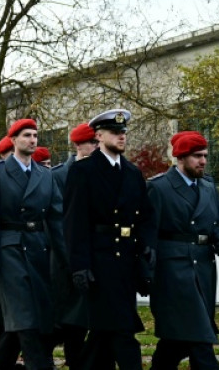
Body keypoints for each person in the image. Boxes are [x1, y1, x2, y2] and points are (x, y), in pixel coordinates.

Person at [63, 109, 156, 369]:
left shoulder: (132, 172)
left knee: (104, 334)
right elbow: (74, 223)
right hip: (99, 260)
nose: (122, 137)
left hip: (126, 259)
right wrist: (79, 265)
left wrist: (147, 245)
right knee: (121, 330)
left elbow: (146, 216)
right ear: (99, 136)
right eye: (116, 133)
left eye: (124, 132)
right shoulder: (84, 171)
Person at [0, 119, 66, 370]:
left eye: (35, 135)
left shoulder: (45, 175)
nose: (32, 140)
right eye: (27, 135)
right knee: (25, 319)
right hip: (10, 253)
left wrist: (69, 261)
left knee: (26, 320)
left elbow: (56, 221)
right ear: (14, 140)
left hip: (38, 249)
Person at [147, 132, 219, 370]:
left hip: (203, 268)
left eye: (205, 155)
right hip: (173, 271)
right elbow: (148, 234)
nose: (203, 161)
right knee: (200, 337)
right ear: (180, 158)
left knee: (176, 341)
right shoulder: (158, 187)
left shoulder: (208, 186)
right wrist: (146, 272)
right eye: (197, 156)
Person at [51, 122, 97, 368]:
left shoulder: (98, 171)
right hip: (66, 257)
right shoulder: (59, 175)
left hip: (94, 255)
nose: (97, 146)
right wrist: (70, 256)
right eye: (93, 142)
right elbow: (58, 219)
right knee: (72, 321)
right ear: (79, 145)